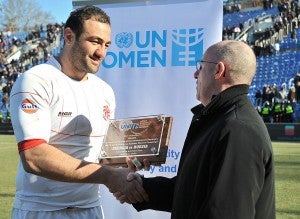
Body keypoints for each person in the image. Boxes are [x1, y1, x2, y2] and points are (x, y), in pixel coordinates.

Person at [9, 5, 148, 219]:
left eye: (106, 44)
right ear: (69, 36)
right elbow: (34, 155)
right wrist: (109, 176)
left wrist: (129, 162)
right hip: (42, 210)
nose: (101, 52)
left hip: (90, 209)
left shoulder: (104, 91)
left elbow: (100, 154)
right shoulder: (36, 80)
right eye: (94, 41)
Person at [116, 40, 276, 219]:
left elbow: (226, 212)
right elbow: (191, 193)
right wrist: (140, 188)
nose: (195, 74)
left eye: (200, 67)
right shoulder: (218, 120)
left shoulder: (237, 129)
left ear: (218, 70)